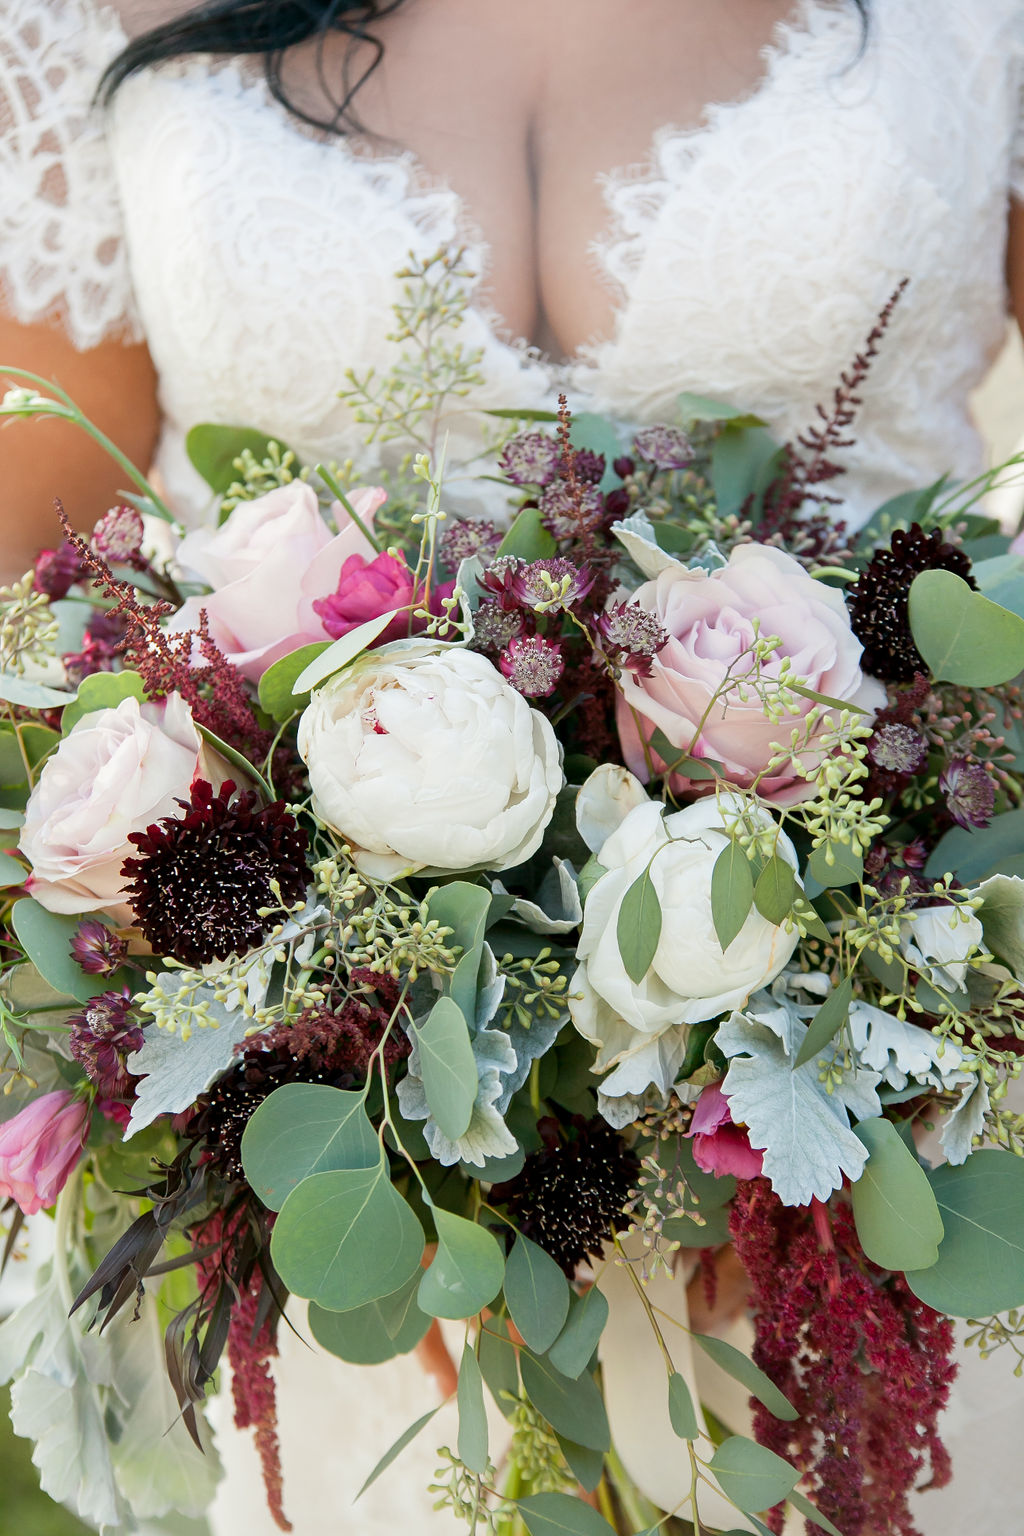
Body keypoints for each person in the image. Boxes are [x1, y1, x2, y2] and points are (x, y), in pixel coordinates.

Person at [2, 1, 1023, 1531]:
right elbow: (35, 603)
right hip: (364, 1224)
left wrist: (867, 1056)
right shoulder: (72, 21)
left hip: (917, 1161)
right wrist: (323, 1129)